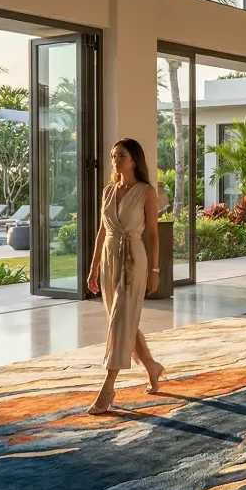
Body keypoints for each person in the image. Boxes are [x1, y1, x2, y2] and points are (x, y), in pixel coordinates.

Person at [86, 138, 165, 415]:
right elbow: (101, 231)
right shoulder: (108, 191)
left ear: (134, 160)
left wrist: (155, 270)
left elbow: (153, 235)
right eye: (112, 156)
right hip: (109, 259)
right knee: (124, 321)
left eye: (120, 155)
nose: (115, 161)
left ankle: (108, 387)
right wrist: (93, 267)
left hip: (134, 260)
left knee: (120, 321)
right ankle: (152, 367)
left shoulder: (146, 192)